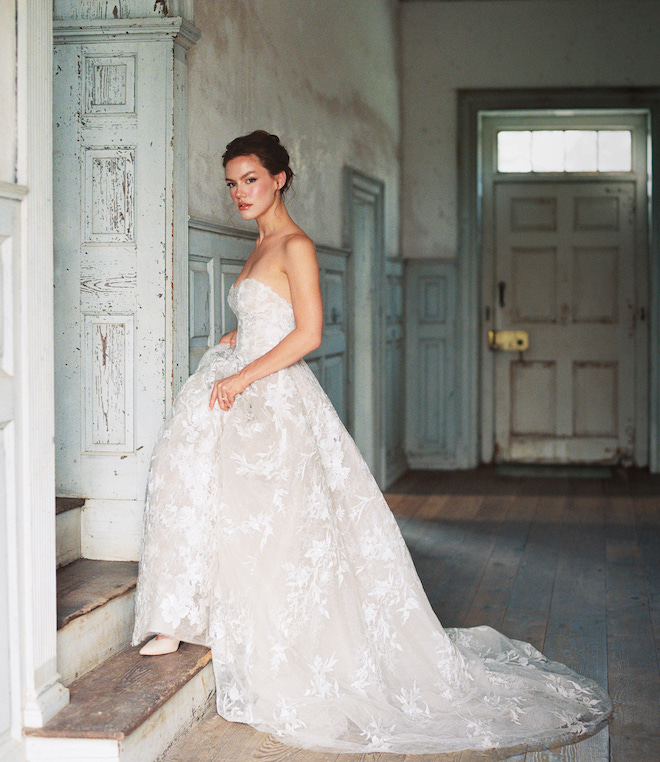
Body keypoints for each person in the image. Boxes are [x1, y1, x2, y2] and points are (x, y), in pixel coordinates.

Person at [132, 130, 611, 754]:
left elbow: (308, 334)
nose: (238, 193)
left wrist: (246, 374)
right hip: (245, 384)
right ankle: (191, 617)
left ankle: (282, 644)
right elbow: (267, 316)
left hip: (273, 396)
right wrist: (235, 341)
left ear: (280, 177)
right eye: (231, 182)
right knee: (223, 503)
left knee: (283, 524)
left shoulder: (297, 244)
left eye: (250, 179)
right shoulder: (259, 245)